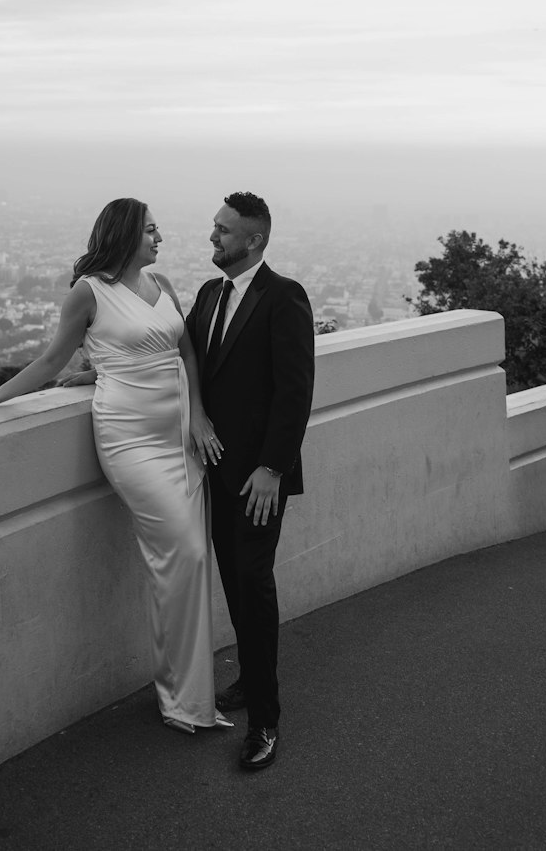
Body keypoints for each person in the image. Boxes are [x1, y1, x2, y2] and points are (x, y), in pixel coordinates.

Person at [0, 198, 231, 735]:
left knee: (194, 560)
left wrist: (198, 416)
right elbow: (52, 359)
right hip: (129, 441)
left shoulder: (165, 285)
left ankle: (191, 697)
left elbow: (186, 354)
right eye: (151, 230)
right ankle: (178, 696)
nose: (160, 238)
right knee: (185, 551)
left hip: (178, 438)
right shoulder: (88, 291)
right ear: (126, 235)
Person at [185, 191, 315, 772]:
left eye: (224, 231)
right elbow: (182, 360)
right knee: (234, 583)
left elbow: (295, 392)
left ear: (254, 240)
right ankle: (249, 679)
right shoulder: (209, 294)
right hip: (213, 469)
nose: (213, 237)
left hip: (260, 477)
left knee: (253, 583)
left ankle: (265, 718)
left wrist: (273, 468)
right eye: (215, 227)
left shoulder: (284, 296)